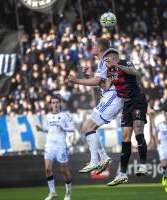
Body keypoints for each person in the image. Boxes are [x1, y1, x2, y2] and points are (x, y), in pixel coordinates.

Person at [68, 38, 123, 174]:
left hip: (112, 97)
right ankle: (103, 158)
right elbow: (103, 82)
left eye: (94, 45)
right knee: (88, 128)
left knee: (87, 127)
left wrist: (77, 81)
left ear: (100, 48)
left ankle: (95, 161)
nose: (92, 48)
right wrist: (92, 74)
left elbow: (97, 82)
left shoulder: (106, 59)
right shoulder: (105, 61)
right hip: (110, 96)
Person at [101, 48, 149, 186]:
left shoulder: (125, 63)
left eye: (106, 60)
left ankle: (143, 165)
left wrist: (117, 65)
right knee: (125, 137)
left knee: (138, 130)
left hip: (137, 101)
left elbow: (135, 72)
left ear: (112, 58)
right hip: (126, 105)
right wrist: (90, 75)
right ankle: (122, 173)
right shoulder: (109, 72)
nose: (104, 63)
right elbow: (106, 86)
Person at [36, 95, 75, 200]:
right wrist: (41, 129)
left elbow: (72, 129)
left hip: (61, 146)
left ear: (60, 103)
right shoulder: (48, 116)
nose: (55, 104)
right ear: (51, 104)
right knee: (47, 169)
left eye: (57, 102)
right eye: (53, 102)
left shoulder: (64, 115)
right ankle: (52, 192)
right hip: (49, 145)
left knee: (64, 170)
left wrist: (64, 127)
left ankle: (68, 193)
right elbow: (49, 130)